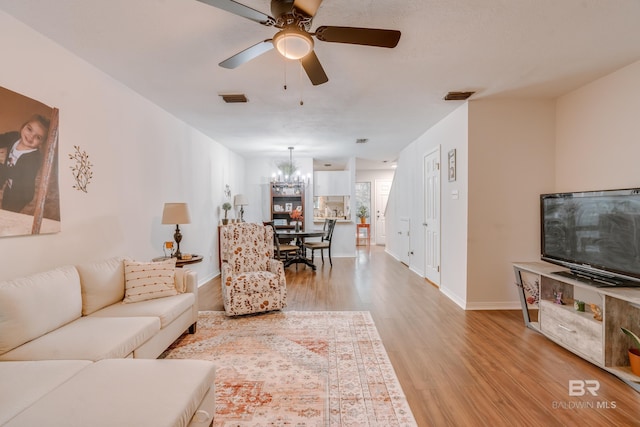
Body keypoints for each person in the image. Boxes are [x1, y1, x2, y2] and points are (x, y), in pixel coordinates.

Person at [0, 114, 50, 213]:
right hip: (10, 181)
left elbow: (17, 173)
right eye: (29, 129)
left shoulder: (34, 158)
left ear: (42, 143)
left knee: (10, 208)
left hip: (21, 193)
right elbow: (2, 138)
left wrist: (3, 164)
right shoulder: (14, 136)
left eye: (38, 137)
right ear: (23, 126)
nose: (31, 136)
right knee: (6, 195)